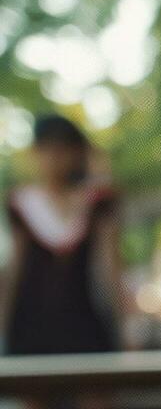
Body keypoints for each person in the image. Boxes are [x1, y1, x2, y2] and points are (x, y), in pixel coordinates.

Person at [1, 114, 126, 355]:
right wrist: (4, 326)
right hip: (31, 324)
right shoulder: (21, 203)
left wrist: (124, 325)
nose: (55, 158)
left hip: (83, 319)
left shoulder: (97, 202)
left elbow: (111, 267)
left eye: (63, 149)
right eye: (48, 149)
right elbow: (13, 269)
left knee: (96, 389)